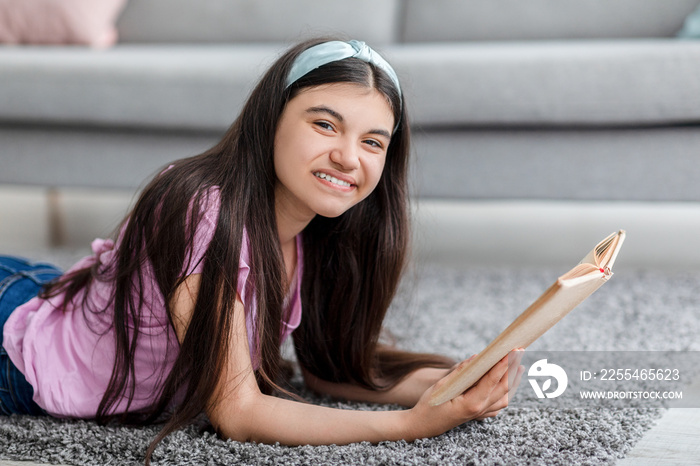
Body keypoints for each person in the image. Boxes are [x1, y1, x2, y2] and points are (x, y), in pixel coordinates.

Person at [0, 38, 524, 462]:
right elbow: (238, 411)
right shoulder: (199, 207)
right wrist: (409, 426)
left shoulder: (326, 226)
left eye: (372, 142)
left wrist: (450, 386)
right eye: (324, 124)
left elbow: (327, 372)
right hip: (19, 348)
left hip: (53, 290)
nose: (347, 157)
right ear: (271, 119)